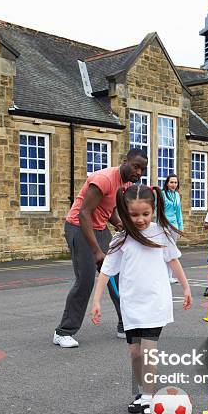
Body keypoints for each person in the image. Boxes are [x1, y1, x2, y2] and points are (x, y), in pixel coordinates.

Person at [91, 184, 192, 414]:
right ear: (125, 213)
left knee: (148, 351)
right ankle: (143, 392)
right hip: (131, 305)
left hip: (156, 303)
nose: (140, 220)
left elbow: (174, 261)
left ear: (153, 210)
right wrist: (96, 300)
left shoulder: (161, 234)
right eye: (134, 215)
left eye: (145, 214)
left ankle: (148, 396)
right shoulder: (121, 238)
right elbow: (106, 270)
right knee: (134, 352)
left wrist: (186, 287)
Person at [53, 149, 148, 348]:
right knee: (85, 281)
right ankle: (63, 332)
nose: (139, 172)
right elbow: (84, 213)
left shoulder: (126, 184)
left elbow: (109, 209)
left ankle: (125, 325)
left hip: (99, 228)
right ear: (125, 161)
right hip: (79, 228)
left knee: (117, 276)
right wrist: (97, 252)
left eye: (142, 169)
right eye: (136, 166)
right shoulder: (103, 179)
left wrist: (120, 224)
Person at [162, 174, 183, 284]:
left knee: (172, 252)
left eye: (175, 182)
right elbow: (157, 211)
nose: (173, 185)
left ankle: (170, 276)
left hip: (174, 226)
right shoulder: (162, 194)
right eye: (171, 182)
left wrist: (180, 228)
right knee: (164, 251)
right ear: (167, 183)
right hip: (164, 225)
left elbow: (179, 213)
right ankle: (163, 275)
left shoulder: (177, 195)